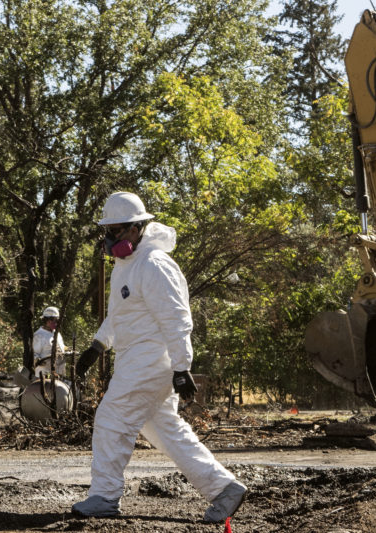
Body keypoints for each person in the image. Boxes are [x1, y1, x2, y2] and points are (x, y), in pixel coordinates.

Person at [71, 192, 246, 521]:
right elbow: (122, 315)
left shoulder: (154, 263)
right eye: (107, 232)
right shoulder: (127, 265)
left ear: (137, 228)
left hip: (150, 359)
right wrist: (97, 346)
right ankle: (224, 489)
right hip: (136, 358)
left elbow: (176, 319)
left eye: (116, 231)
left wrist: (182, 367)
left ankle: (104, 496)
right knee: (164, 429)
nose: (109, 240)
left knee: (111, 419)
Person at [32, 306, 66, 377]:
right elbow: (34, 354)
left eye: (58, 321)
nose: (57, 323)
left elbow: (61, 347)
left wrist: (67, 349)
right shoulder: (39, 335)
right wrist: (40, 360)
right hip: (44, 376)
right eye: (55, 321)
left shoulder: (57, 334)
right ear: (48, 320)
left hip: (59, 374)